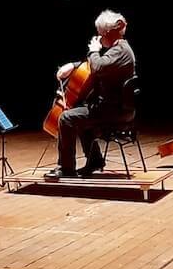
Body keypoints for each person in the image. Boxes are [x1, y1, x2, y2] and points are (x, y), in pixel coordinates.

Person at [46, 10, 136, 178]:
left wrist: (93, 50)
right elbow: (97, 67)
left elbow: (97, 66)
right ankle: (94, 161)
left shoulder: (120, 52)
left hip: (113, 112)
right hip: (113, 109)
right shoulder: (119, 49)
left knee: (66, 118)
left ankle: (66, 168)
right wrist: (73, 65)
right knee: (80, 113)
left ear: (108, 32)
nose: (99, 38)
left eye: (100, 34)